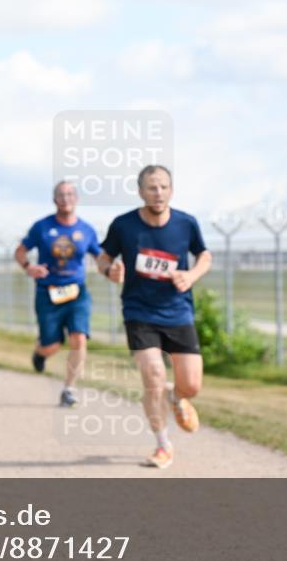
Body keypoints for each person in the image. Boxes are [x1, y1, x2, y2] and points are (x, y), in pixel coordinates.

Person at [97, 165, 212, 469]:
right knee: (154, 376)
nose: (157, 192)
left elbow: (205, 255)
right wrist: (111, 270)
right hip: (139, 311)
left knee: (192, 386)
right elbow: (103, 256)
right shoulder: (124, 225)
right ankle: (163, 445)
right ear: (140, 192)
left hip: (177, 311)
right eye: (151, 187)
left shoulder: (186, 223)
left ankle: (177, 398)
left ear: (171, 190)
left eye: (162, 186)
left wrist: (191, 275)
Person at [14, 181, 102, 407]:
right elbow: (21, 251)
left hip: (76, 292)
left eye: (70, 194)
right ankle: (41, 352)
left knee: (79, 338)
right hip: (48, 293)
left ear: (77, 198)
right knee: (52, 345)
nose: (66, 198)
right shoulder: (42, 227)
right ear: (55, 200)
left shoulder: (86, 230)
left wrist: (113, 268)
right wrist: (28, 267)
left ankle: (69, 389)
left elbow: (101, 257)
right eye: (61, 195)